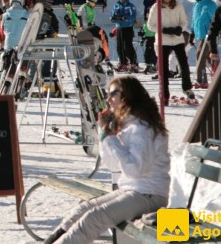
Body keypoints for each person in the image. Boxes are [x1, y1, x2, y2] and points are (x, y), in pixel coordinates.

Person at [43, 75, 169, 244]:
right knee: (83, 209)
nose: (108, 99)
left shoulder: (142, 128)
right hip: (134, 190)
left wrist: (111, 139)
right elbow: (113, 165)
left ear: (127, 96)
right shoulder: (129, 124)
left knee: (93, 218)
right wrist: (105, 135)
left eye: (113, 94)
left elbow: (135, 169)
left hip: (149, 194)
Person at [146, 0, 193, 105]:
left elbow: (184, 22)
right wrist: (162, 30)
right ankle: (164, 93)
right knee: (163, 68)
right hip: (163, 41)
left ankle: (187, 88)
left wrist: (180, 29)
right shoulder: (156, 7)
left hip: (177, 39)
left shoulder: (178, 5)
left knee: (183, 64)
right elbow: (150, 25)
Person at [190, 0, 218, 88]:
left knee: (200, 55)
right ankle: (219, 75)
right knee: (210, 57)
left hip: (208, 35)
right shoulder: (196, 4)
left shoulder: (210, 4)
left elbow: (215, 20)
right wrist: (192, 32)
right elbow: (194, 20)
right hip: (200, 35)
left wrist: (213, 32)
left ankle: (201, 80)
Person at [109, 0, 138, 71]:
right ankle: (123, 63)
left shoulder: (130, 6)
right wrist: (113, 18)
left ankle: (134, 63)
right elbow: (112, 15)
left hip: (128, 28)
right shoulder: (116, 5)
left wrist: (125, 18)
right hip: (119, 28)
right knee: (119, 46)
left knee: (128, 46)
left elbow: (133, 17)